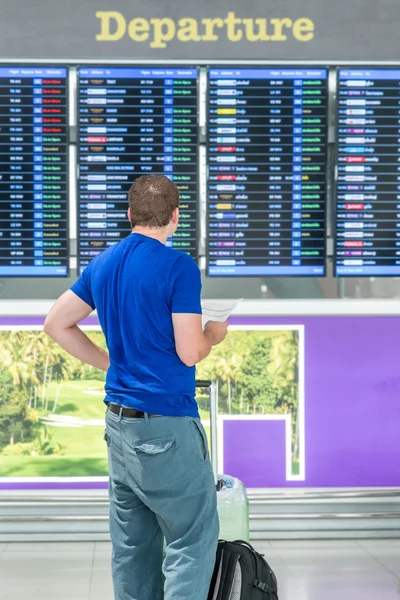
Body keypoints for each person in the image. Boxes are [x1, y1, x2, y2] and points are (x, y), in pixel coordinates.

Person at [44, 174, 228, 600]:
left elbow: (56, 323)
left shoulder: (103, 263)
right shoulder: (178, 267)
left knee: (133, 548)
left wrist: (110, 362)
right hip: (167, 425)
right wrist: (215, 334)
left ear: (130, 215)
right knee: (189, 540)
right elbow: (189, 351)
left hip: (119, 426)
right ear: (176, 217)